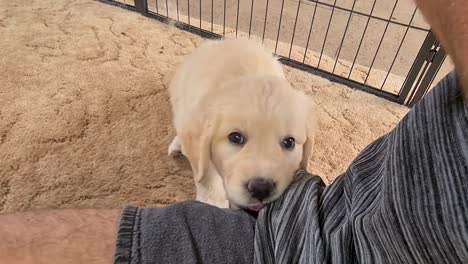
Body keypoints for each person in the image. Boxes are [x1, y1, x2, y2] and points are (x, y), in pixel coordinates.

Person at [1, 0, 467, 263]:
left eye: (289, 144)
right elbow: (210, 174)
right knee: (214, 196)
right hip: (335, 235)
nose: (263, 173)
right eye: (236, 139)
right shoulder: (206, 117)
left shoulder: (294, 112)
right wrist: (198, 154)